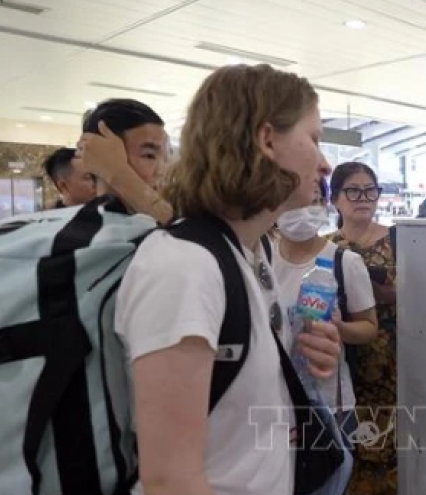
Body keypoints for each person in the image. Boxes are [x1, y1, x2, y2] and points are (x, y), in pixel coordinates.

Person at [114, 65, 339, 495]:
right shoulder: (183, 268)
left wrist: (302, 358)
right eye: (314, 138)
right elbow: (171, 481)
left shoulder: (253, 253)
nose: (325, 163)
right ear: (267, 140)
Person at [270, 182, 378, 438]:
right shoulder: (261, 257)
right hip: (272, 401)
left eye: (313, 201)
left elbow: (369, 328)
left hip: (328, 403)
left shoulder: (345, 262)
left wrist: (340, 328)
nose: (302, 211)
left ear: (324, 206)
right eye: (292, 202)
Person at [327, 162, 398, 495]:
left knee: (386, 443)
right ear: (335, 198)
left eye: (370, 190)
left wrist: (385, 292)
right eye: (353, 190)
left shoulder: (398, 240)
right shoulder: (324, 247)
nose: (363, 198)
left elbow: (420, 295)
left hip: (391, 360)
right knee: (343, 444)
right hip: (340, 358)